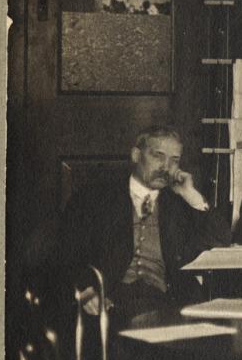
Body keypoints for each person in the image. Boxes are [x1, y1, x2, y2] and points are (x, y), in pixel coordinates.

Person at [57, 124, 227, 326]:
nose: (166, 167)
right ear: (136, 155)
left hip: (167, 301)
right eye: (158, 156)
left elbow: (221, 240)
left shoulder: (180, 202)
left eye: (175, 160)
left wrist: (191, 195)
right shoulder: (96, 197)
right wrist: (85, 290)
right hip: (109, 301)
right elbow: (65, 253)